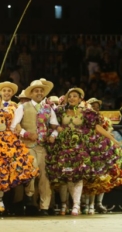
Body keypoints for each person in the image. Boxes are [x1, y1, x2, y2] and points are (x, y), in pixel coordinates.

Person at [45, 88, 122, 216]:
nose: (72, 98)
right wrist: (55, 133)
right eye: (70, 96)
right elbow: (54, 125)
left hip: (80, 148)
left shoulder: (87, 113)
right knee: (69, 177)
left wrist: (112, 139)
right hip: (64, 147)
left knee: (79, 176)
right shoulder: (60, 111)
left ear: (80, 98)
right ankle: (70, 204)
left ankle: (76, 205)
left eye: (75, 96)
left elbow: (97, 127)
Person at [10, 80, 60, 216]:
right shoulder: (23, 107)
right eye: (36, 91)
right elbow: (14, 126)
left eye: (41, 91)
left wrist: (53, 135)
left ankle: (44, 206)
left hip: (43, 146)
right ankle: (29, 196)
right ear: (31, 93)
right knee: (32, 168)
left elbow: (56, 127)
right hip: (28, 145)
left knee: (44, 176)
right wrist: (26, 134)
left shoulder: (48, 108)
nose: (39, 93)